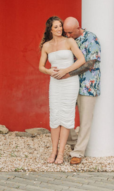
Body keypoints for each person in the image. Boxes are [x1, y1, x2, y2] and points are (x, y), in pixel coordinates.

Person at [54, 16, 101, 165]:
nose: (67, 35)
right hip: (70, 84)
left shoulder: (91, 39)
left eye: (70, 32)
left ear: (78, 28)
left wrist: (68, 73)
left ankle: (78, 152)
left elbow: (90, 64)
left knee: (85, 121)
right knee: (63, 114)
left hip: (88, 85)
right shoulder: (69, 40)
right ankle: (74, 141)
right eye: (65, 32)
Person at [39, 16, 85, 165]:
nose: (60, 29)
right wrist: (49, 71)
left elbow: (81, 60)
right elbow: (41, 66)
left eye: (60, 26)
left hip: (70, 82)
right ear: (50, 29)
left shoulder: (69, 41)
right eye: (56, 27)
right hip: (55, 83)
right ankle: (53, 151)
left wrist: (66, 70)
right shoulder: (46, 46)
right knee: (55, 115)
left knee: (66, 114)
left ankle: (61, 153)